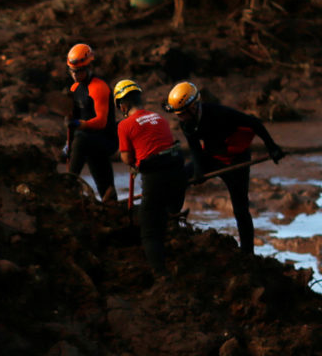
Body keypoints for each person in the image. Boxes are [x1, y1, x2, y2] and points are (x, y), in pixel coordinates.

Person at [165, 81, 285, 253]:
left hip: (236, 160)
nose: (180, 117)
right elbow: (195, 148)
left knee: (240, 208)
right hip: (211, 156)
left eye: (182, 113)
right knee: (180, 181)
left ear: (193, 107)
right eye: (178, 114)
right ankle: (172, 226)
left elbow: (254, 123)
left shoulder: (219, 113)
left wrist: (272, 147)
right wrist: (198, 171)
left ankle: (247, 253)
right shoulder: (186, 123)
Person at [114, 79, 186, 275]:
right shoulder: (159, 117)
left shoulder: (124, 125)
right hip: (178, 173)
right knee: (163, 217)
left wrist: (132, 161)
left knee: (148, 230)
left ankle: (161, 276)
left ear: (123, 105)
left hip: (155, 176)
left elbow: (127, 157)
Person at [64, 43, 118, 202]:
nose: (75, 75)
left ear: (88, 68)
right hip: (88, 140)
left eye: (79, 71)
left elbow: (101, 122)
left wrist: (80, 125)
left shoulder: (99, 87)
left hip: (105, 140)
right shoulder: (74, 88)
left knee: (81, 140)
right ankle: (111, 202)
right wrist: (68, 143)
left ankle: (70, 182)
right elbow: (72, 119)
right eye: (72, 72)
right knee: (104, 183)